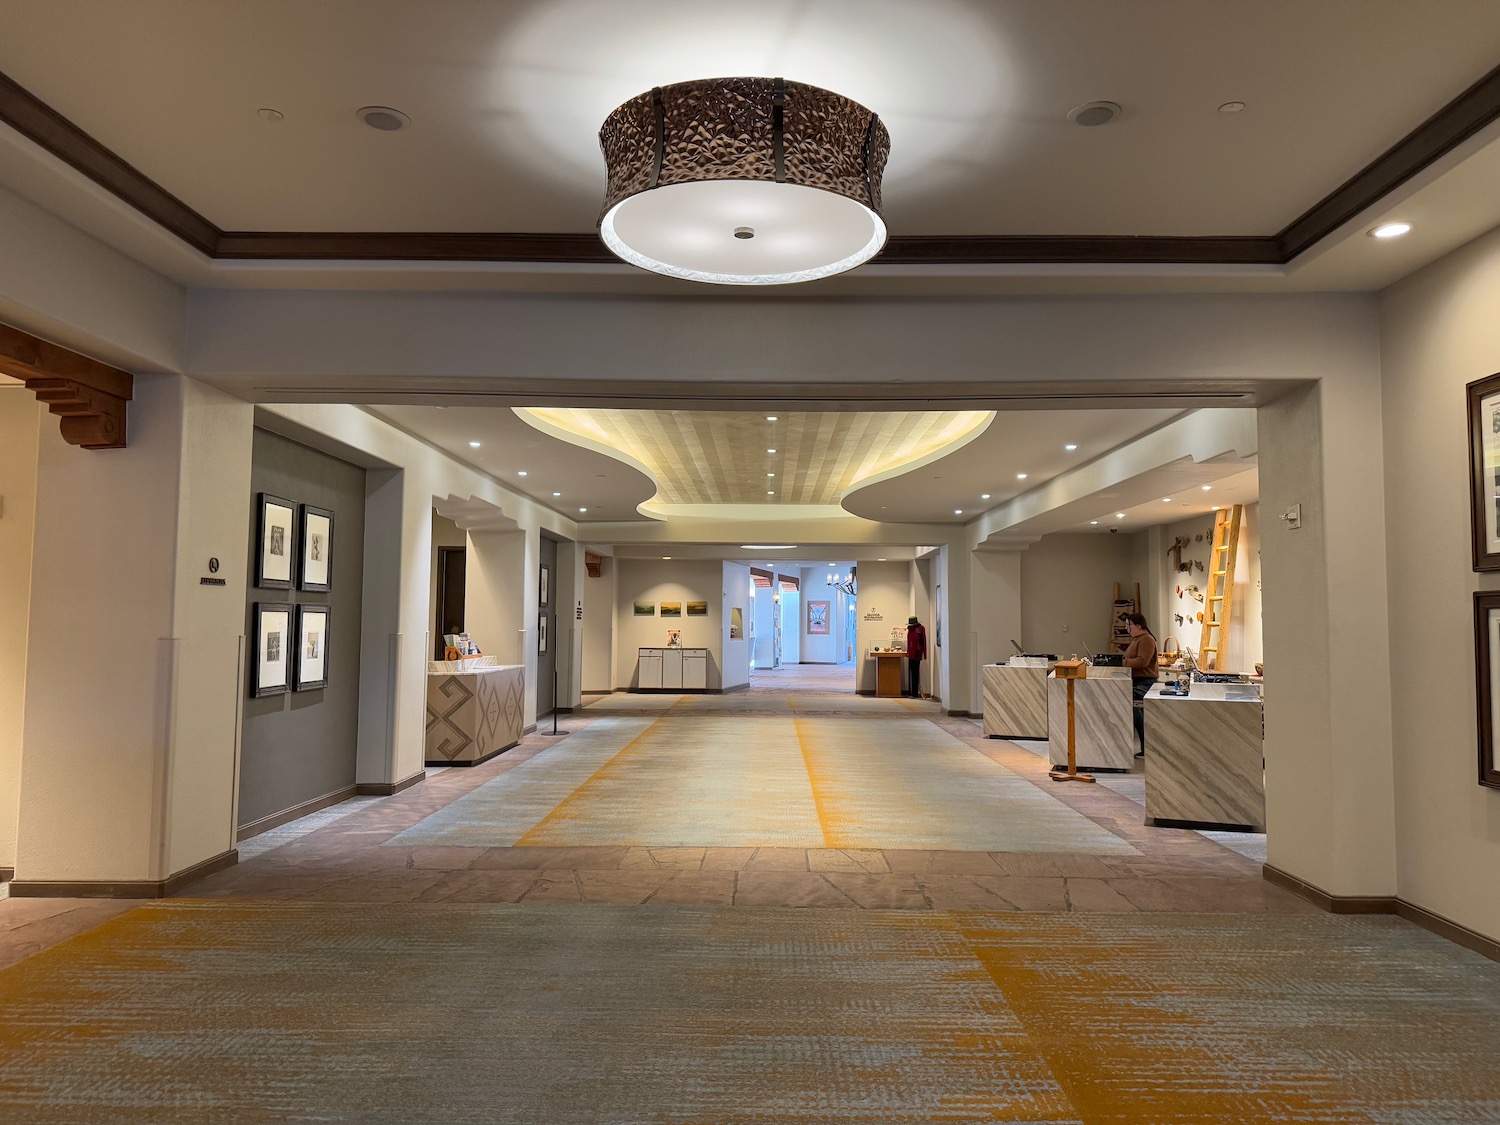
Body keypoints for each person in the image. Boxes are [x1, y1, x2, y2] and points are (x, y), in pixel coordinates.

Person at [1122, 612, 1158, 757]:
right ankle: (1145, 749)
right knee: (1138, 718)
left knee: (1141, 718)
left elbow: (1142, 661)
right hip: (1137, 681)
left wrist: (1123, 663)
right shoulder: (1137, 639)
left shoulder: (1147, 640)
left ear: (1138, 625)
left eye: (1129, 625)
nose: (1127, 629)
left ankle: (1147, 750)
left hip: (1144, 683)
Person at [905, 615, 927, 698]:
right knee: (911, 673)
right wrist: (908, 652)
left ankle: (915, 693)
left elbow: (923, 641)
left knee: (916, 673)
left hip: (917, 654)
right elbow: (909, 642)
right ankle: (912, 693)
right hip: (911, 654)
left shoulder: (921, 629)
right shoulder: (910, 629)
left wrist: (924, 654)